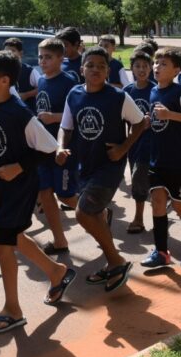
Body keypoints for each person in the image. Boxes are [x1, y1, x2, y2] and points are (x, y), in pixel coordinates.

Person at [0, 51, 77, 334]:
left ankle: (13, 310)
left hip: (21, 185)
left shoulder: (21, 113)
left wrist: (18, 167)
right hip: (1, 183)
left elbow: (48, 149)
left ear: (5, 80)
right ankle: (57, 272)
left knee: (3, 244)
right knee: (14, 236)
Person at [57, 47, 146, 291]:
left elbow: (141, 122)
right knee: (92, 213)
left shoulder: (117, 97)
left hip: (109, 166)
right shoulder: (73, 94)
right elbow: (66, 127)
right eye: (90, 65)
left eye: (101, 66)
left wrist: (123, 148)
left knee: (83, 214)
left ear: (108, 70)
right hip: (84, 164)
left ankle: (117, 261)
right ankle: (111, 263)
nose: (95, 69)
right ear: (82, 69)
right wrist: (60, 148)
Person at [139, 48, 181, 269]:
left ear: (177, 70)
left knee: (179, 205)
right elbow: (159, 121)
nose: (157, 67)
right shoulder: (153, 91)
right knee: (157, 202)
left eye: (164, 64)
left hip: (178, 160)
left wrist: (170, 115)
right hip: (156, 159)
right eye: (156, 63)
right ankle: (161, 251)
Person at [33, 37, 80, 254]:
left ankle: (97, 213)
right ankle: (60, 240)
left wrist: (55, 118)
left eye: (48, 57)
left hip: (64, 147)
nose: (43, 61)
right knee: (45, 192)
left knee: (65, 195)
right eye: (41, 57)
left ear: (61, 58)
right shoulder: (41, 80)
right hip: (43, 148)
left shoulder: (68, 81)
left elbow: (80, 113)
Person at [124, 49, 155, 235]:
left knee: (141, 178)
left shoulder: (156, 89)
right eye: (138, 66)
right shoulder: (127, 91)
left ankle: (140, 218)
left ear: (151, 68)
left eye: (145, 66)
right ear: (132, 69)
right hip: (134, 143)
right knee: (140, 178)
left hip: (155, 143)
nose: (141, 69)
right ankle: (142, 215)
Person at [3, 37, 40, 103]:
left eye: (13, 51)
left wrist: (26, 95)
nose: (8, 54)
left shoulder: (29, 71)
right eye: (6, 51)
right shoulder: (1, 71)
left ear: (21, 53)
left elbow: (43, 86)